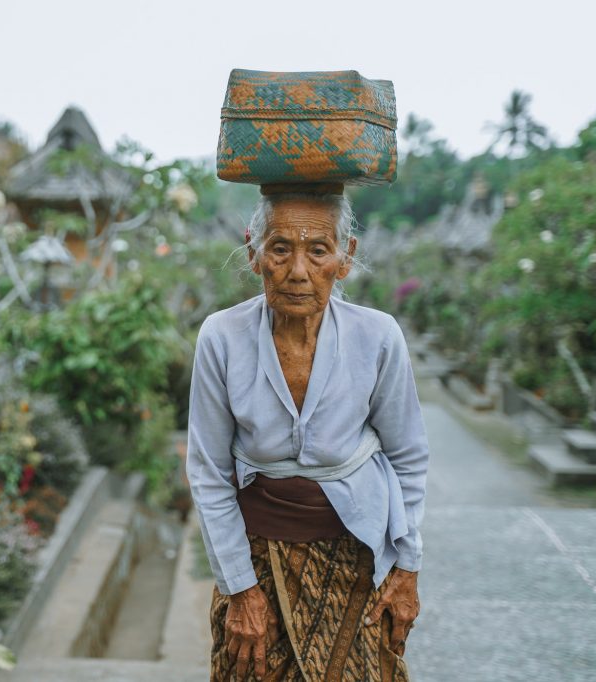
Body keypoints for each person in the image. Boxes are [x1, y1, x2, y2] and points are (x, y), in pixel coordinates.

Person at [186, 187, 429, 681]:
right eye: (280, 249)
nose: (298, 271)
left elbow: (408, 457)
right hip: (256, 561)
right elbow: (209, 473)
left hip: (356, 559)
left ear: (345, 259)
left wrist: (406, 568)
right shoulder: (221, 337)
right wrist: (240, 590)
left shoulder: (378, 337)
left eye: (318, 250)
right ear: (254, 252)